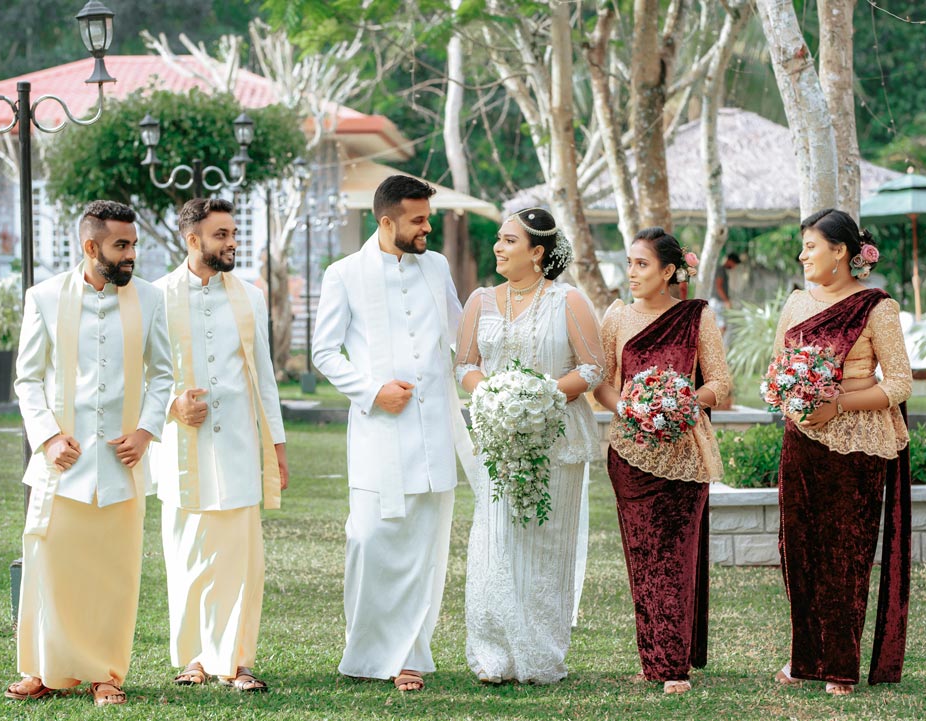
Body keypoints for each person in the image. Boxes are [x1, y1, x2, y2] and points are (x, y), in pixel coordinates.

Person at [311, 175, 473, 692]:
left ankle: (410, 657)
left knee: (426, 548)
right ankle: (365, 653)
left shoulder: (437, 266)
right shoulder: (344, 274)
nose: (428, 227)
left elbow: (461, 335)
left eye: (428, 217)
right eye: (418, 220)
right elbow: (324, 352)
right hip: (379, 430)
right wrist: (372, 390)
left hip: (433, 429)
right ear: (387, 221)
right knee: (369, 539)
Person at [8, 200, 173, 706]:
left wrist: (145, 432)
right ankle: (44, 669)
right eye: (121, 245)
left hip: (122, 464)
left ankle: (106, 674)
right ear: (90, 246)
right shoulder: (44, 297)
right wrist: (48, 437)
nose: (131, 254)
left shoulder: (150, 298)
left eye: (134, 244)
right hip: (62, 464)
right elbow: (27, 379)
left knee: (114, 573)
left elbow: (163, 374)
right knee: (50, 568)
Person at [454, 208, 603, 684]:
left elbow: (593, 368)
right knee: (496, 540)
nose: (498, 247)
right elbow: (465, 365)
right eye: (499, 239)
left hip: (556, 440)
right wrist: (494, 397)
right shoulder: (480, 300)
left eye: (509, 241)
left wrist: (541, 397)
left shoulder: (569, 301)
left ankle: (539, 655)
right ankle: (494, 654)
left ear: (537, 252)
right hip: (498, 437)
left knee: (546, 545)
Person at [771, 208, 911, 695]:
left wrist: (838, 403)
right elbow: (777, 369)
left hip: (857, 446)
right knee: (797, 551)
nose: (802, 255)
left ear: (840, 251)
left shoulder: (877, 308)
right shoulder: (795, 304)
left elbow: (899, 382)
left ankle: (841, 666)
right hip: (801, 441)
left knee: (845, 554)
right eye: (803, 246)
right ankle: (805, 658)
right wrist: (793, 399)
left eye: (810, 246)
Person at [152, 198, 289, 692]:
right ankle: (193, 658)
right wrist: (172, 406)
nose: (233, 242)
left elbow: (265, 378)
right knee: (187, 555)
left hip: (238, 445)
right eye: (222, 235)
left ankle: (238, 660)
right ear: (193, 240)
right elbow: (141, 374)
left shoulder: (250, 296)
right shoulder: (155, 296)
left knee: (241, 559)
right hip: (181, 446)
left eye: (234, 234)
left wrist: (277, 449)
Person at [593, 227, 731, 695]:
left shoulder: (696, 316)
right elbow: (602, 383)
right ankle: (652, 659)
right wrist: (630, 408)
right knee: (642, 558)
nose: (631, 273)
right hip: (630, 453)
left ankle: (674, 667)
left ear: (669, 271)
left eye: (642, 264)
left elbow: (720, 383)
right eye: (629, 263)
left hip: (684, 455)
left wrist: (681, 403)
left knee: (675, 558)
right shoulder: (617, 316)